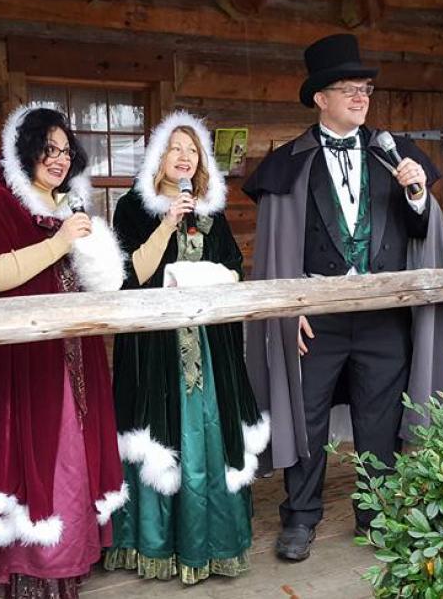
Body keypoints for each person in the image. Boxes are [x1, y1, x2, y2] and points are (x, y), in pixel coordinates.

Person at [243, 33, 443, 562]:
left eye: (365, 89)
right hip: (316, 317)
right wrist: (288, 309)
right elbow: (276, 249)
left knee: (378, 418)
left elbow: (420, 231)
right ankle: (300, 517)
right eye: (350, 89)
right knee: (307, 418)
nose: (361, 98)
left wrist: (417, 194)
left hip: (384, 315)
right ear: (321, 98)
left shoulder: (394, 155)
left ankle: (376, 513)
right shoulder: (290, 162)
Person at [0, 105, 128, 599]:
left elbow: (91, 278)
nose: (58, 159)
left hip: (74, 356)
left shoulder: (68, 206)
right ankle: (19, 572)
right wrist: (60, 242)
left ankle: (62, 564)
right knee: (28, 456)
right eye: (48, 149)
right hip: (21, 361)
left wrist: (97, 254)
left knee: (70, 456)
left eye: (66, 151)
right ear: (24, 150)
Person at [104, 111, 268, 584]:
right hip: (154, 348)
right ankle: (156, 543)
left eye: (192, 150)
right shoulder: (133, 209)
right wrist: (167, 223)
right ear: (158, 157)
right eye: (175, 148)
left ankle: (212, 542)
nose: (184, 157)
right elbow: (131, 274)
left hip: (208, 349)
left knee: (208, 432)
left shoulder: (210, 212)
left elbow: (234, 268)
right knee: (160, 437)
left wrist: (207, 275)